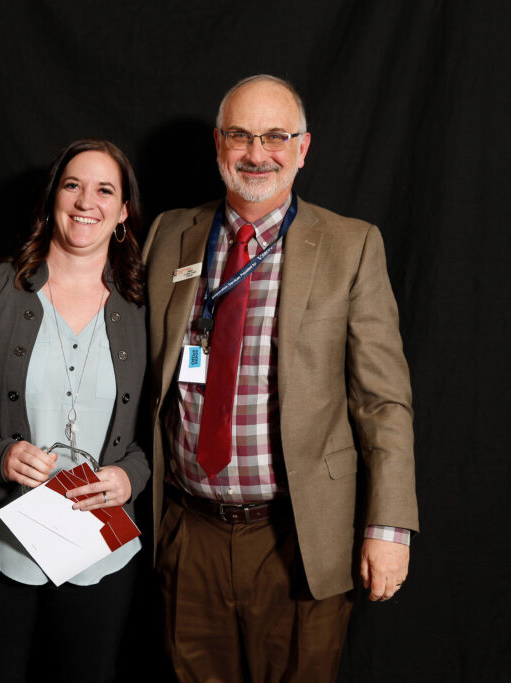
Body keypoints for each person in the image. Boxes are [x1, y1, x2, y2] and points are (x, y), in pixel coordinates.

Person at [141, 74, 419, 682]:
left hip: (297, 535)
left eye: (275, 136)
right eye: (240, 135)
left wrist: (389, 527)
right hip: (189, 533)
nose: (256, 153)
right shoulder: (168, 235)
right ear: (219, 145)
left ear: (303, 147)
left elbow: (383, 403)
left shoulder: (351, 245)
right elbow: (95, 298)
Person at [0, 138, 149, 683]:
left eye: (104, 190)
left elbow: (162, 424)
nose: (86, 201)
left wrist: (129, 477)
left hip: (100, 546)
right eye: (73, 185)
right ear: (52, 200)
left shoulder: (143, 306)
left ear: (122, 213)